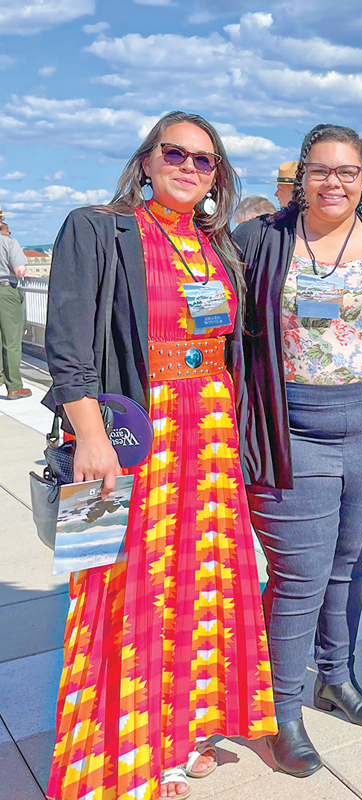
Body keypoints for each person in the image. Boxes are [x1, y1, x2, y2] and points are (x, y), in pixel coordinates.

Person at [43, 110, 276, 800]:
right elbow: (67, 345)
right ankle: (124, 755)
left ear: (218, 176)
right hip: (124, 437)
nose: (188, 167)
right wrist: (87, 435)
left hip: (208, 440)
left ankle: (183, 733)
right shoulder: (96, 227)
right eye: (174, 153)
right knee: (112, 590)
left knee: (198, 588)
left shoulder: (214, 243)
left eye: (205, 161)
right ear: (147, 160)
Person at [234, 124, 362, 777]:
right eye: (321, 170)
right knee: (297, 578)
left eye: (346, 172)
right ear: (300, 178)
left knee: (350, 564)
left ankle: (335, 678)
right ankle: (278, 713)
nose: (333, 182)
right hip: (293, 430)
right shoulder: (261, 240)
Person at [0, 220, 30, 399]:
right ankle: (14, 386)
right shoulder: (8, 242)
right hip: (6, 290)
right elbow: (19, 270)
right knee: (11, 339)